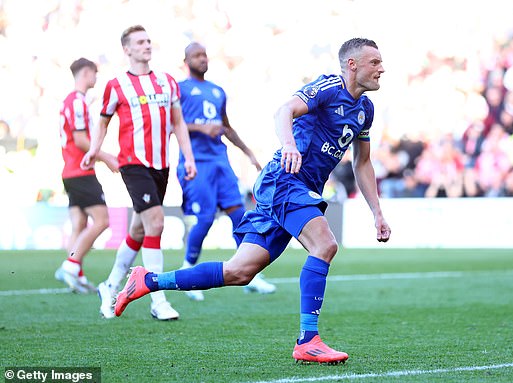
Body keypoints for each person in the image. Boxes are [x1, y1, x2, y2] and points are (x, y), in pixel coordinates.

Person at [115, 37, 391, 363]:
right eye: (374, 62)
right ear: (352, 64)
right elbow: (284, 110)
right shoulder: (329, 88)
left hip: (296, 189)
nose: (381, 68)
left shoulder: (365, 111)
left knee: (239, 271)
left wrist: (377, 212)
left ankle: (147, 280)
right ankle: (308, 340)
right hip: (285, 181)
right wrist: (288, 144)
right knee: (325, 245)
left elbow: (362, 163)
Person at [81, 25, 197, 320]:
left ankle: (109, 285)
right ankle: (157, 301)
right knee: (156, 223)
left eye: (148, 40)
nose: (147, 45)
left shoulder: (167, 81)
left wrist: (189, 157)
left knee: (139, 229)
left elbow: (179, 123)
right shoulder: (116, 85)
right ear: (127, 50)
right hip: (133, 164)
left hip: (162, 164)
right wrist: (95, 149)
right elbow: (103, 122)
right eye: (140, 42)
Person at [177, 42, 275, 301]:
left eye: (204, 55)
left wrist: (249, 153)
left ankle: (249, 274)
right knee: (206, 218)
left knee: (240, 216)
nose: (202, 59)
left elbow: (226, 128)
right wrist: (201, 128)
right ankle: (189, 274)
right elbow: (172, 125)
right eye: (197, 56)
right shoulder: (180, 89)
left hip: (220, 161)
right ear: (186, 60)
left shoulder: (218, 91)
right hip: (196, 162)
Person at [55, 57, 119, 294]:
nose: (96, 78)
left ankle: (76, 274)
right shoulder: (77, 102)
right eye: (94, 73)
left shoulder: (71, 101)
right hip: (80, 171)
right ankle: (70, 266)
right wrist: (107, 157)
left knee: (79, 224)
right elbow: (81, 140)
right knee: (102, 221)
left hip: (70, 171)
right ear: (85, 73)